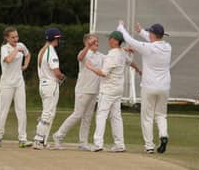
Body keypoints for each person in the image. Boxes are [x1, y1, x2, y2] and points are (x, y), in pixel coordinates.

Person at [117, 21, 171, 154]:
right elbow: (152, 39)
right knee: (161, 115)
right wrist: (141, 32)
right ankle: (163, 136)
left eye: (150, 33)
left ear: (153, 34)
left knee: (147, 117)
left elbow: (129, 40)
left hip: (149, 86)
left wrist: (121, 28)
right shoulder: (168, 47)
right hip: (164, 87)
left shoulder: (148, 47)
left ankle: (149, 146)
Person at [85, 31, 141, 152]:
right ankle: (119, 144)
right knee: (116, 116)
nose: (109, 40)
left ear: (115, 41)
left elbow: (103, 73)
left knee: (101, 115)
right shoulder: (121, 52)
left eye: (110, 38)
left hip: (108, 89)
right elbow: (130, 62)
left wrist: (90, 67)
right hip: (118, 89)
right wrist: (139, 70)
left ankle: (98, 144)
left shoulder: (113, 55)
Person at [52, 34, 105, 150]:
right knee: (77, 114)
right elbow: (80, 58)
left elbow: (110, 60)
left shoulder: (100, 56)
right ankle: (58, 136)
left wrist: (123, 50)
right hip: (83, 89)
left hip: (94, 90)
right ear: (86, 42)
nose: (96, 43)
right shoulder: (84, 53)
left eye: (97, 41)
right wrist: (87, 47)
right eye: (93, 41)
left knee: (87, 117)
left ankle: (83, 142)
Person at [0, 26, 32, 148]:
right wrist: (16, 49)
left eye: (17, 36)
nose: (16, 39)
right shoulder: (4, 48)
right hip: (6, 84)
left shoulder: (21, 45)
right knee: (3, 111)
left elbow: (28, 54)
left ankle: (22, 139)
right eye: (13, 37)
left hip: (19, 82)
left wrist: (25, 65)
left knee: (21, 110)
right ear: (7, 38)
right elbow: (9, 60)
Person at [32, 28, 65, 150]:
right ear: (55, 39)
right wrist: (62, 76)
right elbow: (56, 72)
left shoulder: (43, 50)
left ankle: (43, 140)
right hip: (51, 85)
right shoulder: (51, 51)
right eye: (58, 38)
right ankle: (38, 139)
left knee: (47, 113)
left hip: (43, 84)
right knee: (48, 113)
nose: (59, 40)